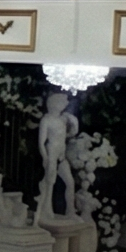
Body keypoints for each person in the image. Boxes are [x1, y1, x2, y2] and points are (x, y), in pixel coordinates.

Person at [35, 89, 79, 226]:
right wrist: (45, 157)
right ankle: (47, 210)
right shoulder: (46, 120)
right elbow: (41, 142)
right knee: (50, 183)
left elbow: (69, 134)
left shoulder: (63, 119)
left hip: (61, 155)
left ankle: (70, 210)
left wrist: (74, 122)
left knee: (70, 183)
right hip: (52, 154)